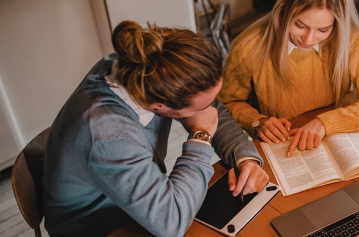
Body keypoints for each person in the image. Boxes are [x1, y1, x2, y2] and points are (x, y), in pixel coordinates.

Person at [42, 21, 269, 237]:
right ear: (159, 107)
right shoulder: (108, 135)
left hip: (141, 202)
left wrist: (245, 157)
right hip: (103, 228)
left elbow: (210, 112)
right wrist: (201, 137)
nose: (210, 106)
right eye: (200, 106)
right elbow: (171, 222)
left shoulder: (140, 70)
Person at [218, 0, 359, 157]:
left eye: (323, 29)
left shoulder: (351, 41)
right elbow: (225, 103)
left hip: (335, 138)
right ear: (282, 12)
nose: (309, 38)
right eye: (300, 25)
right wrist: (257, 122)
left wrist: (324, 123)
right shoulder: (249, 48)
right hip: (282, 145)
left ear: (337, 24)